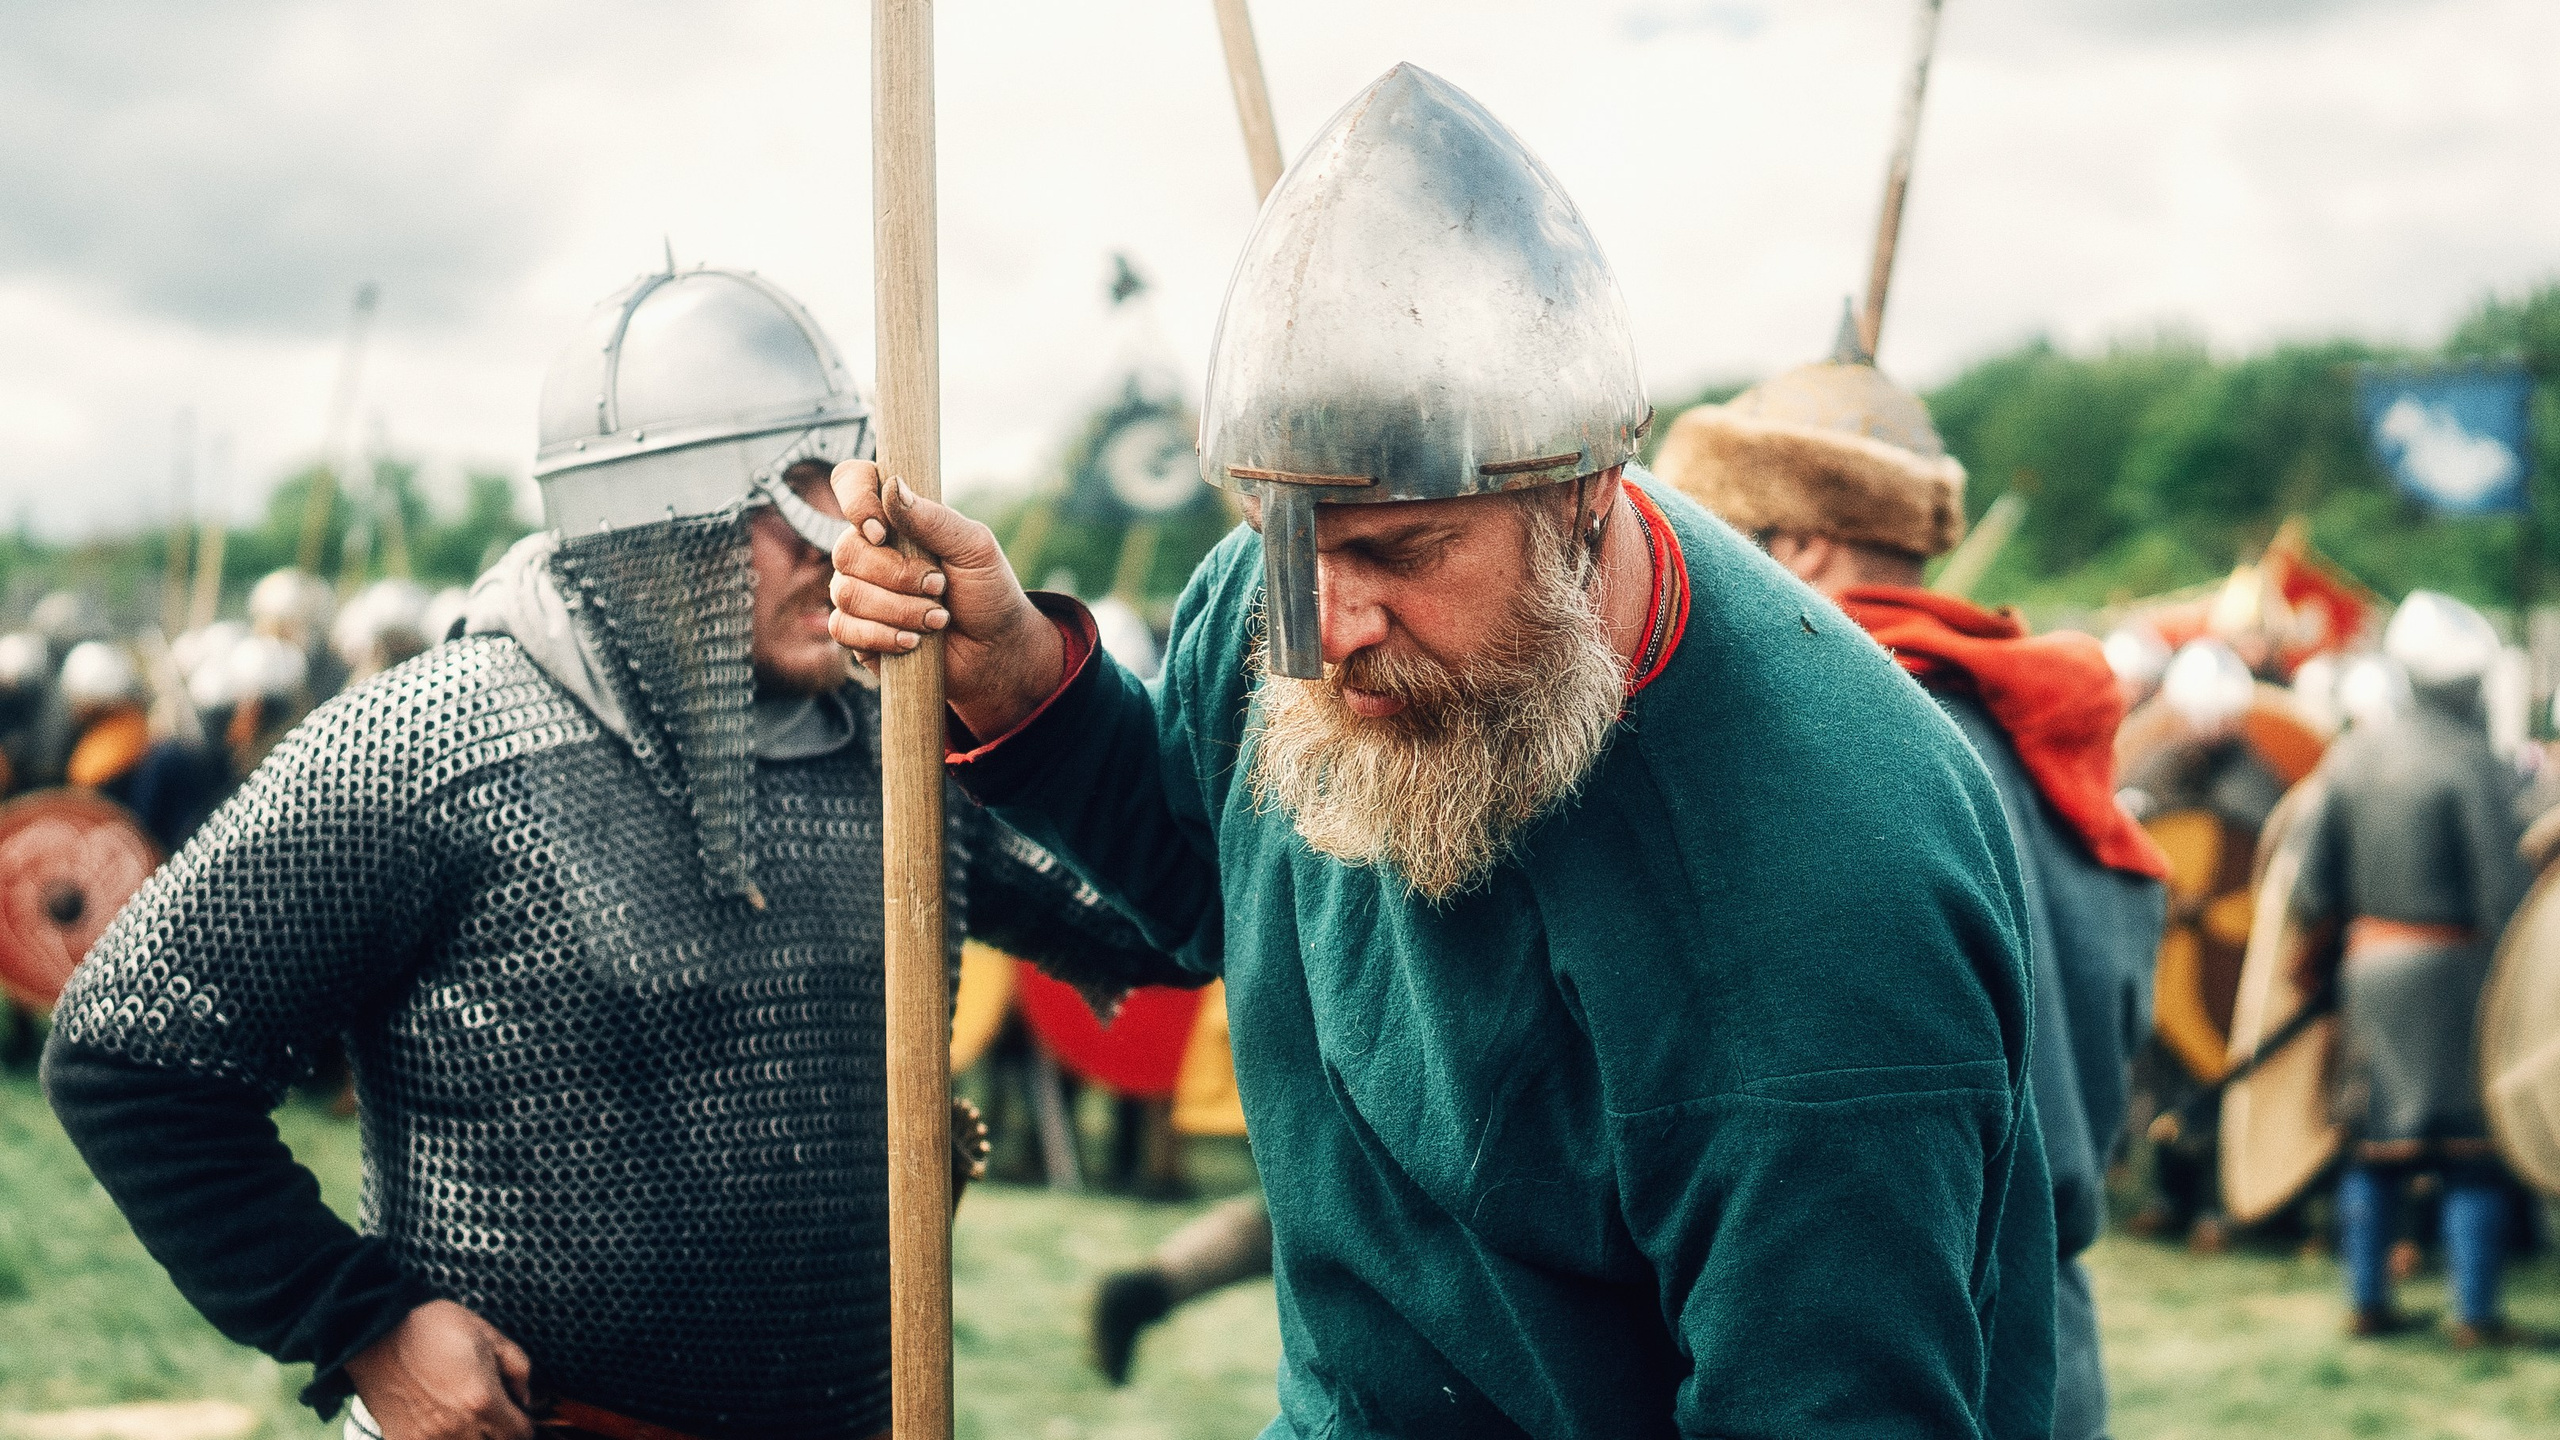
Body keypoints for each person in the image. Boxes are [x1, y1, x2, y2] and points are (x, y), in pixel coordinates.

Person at [832, 64, 2054, 1438]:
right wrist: (1024, 683)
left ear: (1586, 495)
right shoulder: (1280, 599)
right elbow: (1211, 880)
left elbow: (1827, 1412)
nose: (1324, 628)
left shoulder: (1827, 909)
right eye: (1282, 537)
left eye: (1396, 554)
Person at [44, 264, 1172, 1440]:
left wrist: (1035, 705)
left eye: (836, 494)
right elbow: (132, 1054)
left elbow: (1164, 918)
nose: (827, 543)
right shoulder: (433, 747)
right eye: (780, 504)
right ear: (648, 530)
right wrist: (361, 1324)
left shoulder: (895, 749)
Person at [1652, 326, 2169, 1440]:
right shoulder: (2046, 742)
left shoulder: (1812, 755)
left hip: (1872, 1347)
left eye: (1720, 543)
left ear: (1800, 544)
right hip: (2049, 1344)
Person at [2291, 591, 2530, 1345]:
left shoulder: (2353, 754)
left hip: (2369, 967)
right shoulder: (2471, 761)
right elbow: (2502, 896)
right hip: (2452, 973)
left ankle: (2366, 1300)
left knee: (2373, 1139)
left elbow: (2308, 889)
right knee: (2470, 1147)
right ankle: (2473, 1313)